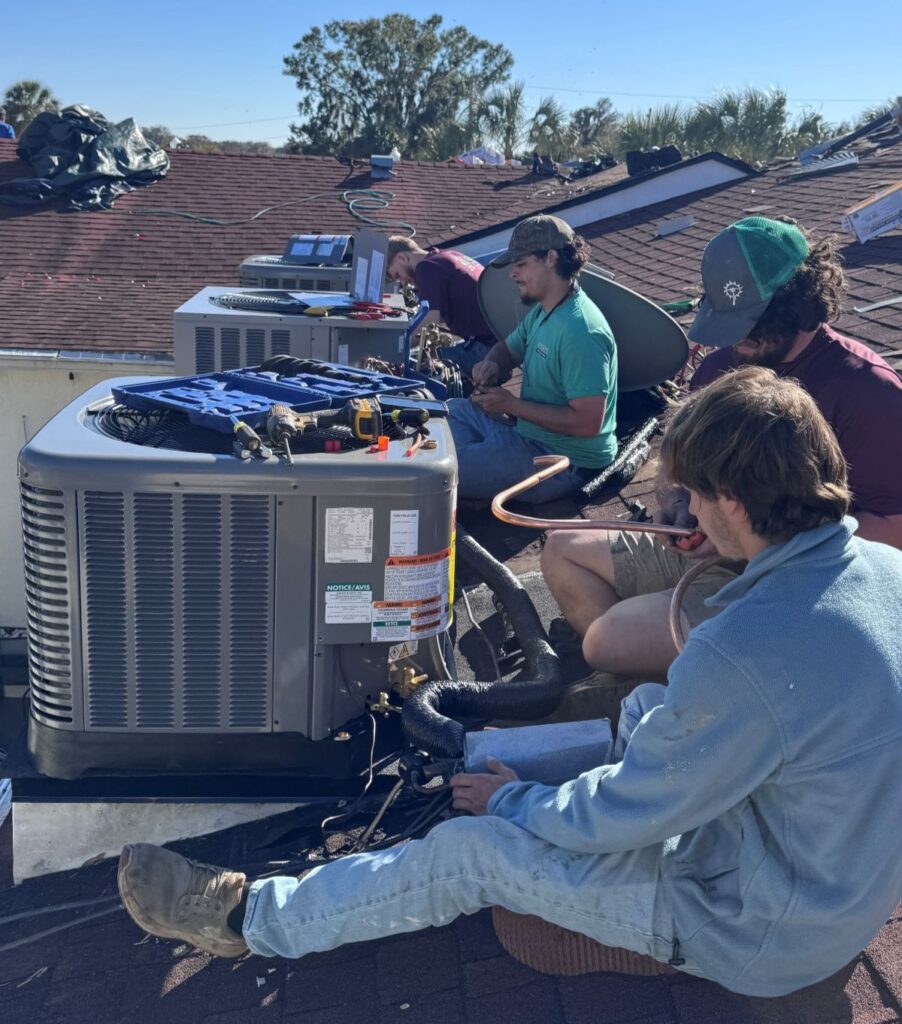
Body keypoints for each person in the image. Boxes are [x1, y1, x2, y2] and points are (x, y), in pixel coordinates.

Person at [117, 367, 902, 997]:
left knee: (471, 852)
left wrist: (513, 801)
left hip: (754, 932)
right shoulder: (888, 574)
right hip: (833, 883)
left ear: (732, 501)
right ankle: (515, 782)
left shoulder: (742, 652)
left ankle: (245, 916)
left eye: (694, 497)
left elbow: (625, 817)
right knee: (650, 708)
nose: (684, 512)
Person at [542, 215, 902, 676]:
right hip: (713, 545)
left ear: (800, 304)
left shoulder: (866, 389)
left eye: (752, 323)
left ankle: (674, 684)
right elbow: (676, 462)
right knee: (561, 548)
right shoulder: (720, 369)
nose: (738, 341)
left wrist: (749, 536)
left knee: (606, 639)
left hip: (793, 585)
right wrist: (675, 503)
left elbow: (892, 532)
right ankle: (669, 679)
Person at [447, 214, 618, 504]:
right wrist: (493, 363)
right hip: (527, 436)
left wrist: (510, 404)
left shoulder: (581, 330)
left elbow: (589, 423)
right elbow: (509, 349)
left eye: (521, 264)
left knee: (439, 473)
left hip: (561, 462)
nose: (513, 274)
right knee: (450, 410)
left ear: (551, 258)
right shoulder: (545, 310)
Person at [386, 236, 496, 376]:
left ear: (402, 258)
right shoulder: (445, 256)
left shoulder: (426, 268)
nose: (402, 283)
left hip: (486, 350)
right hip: (498, 343)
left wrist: (394, 349)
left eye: (397, 275)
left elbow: (430, 322)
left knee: (414, 367)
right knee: (421, 355)